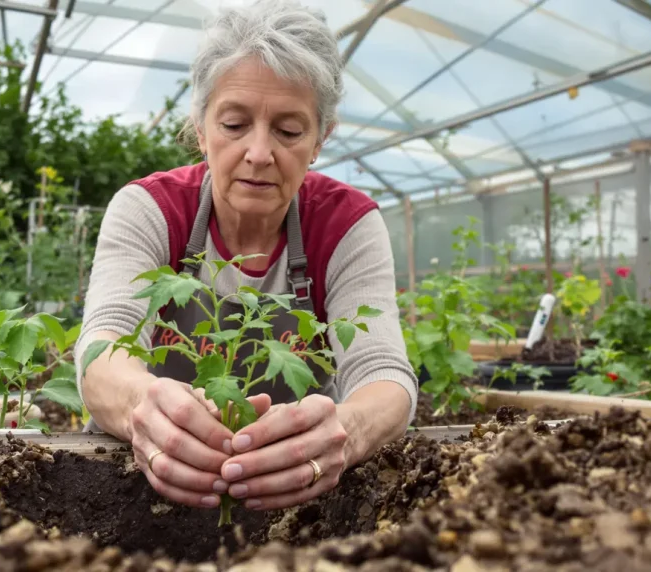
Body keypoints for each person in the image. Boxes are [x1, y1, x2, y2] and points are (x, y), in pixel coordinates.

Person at [75, 0, 417, 513]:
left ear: (322, 137)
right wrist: (140, 406)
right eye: (234, 124)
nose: (259, 153)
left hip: (292, 503)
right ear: (200, 128)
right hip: (141, 491)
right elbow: (104, 343)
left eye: (289, 130)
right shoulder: (150, 209)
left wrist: (345, 430)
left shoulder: (346, 224)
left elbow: (383, 372)